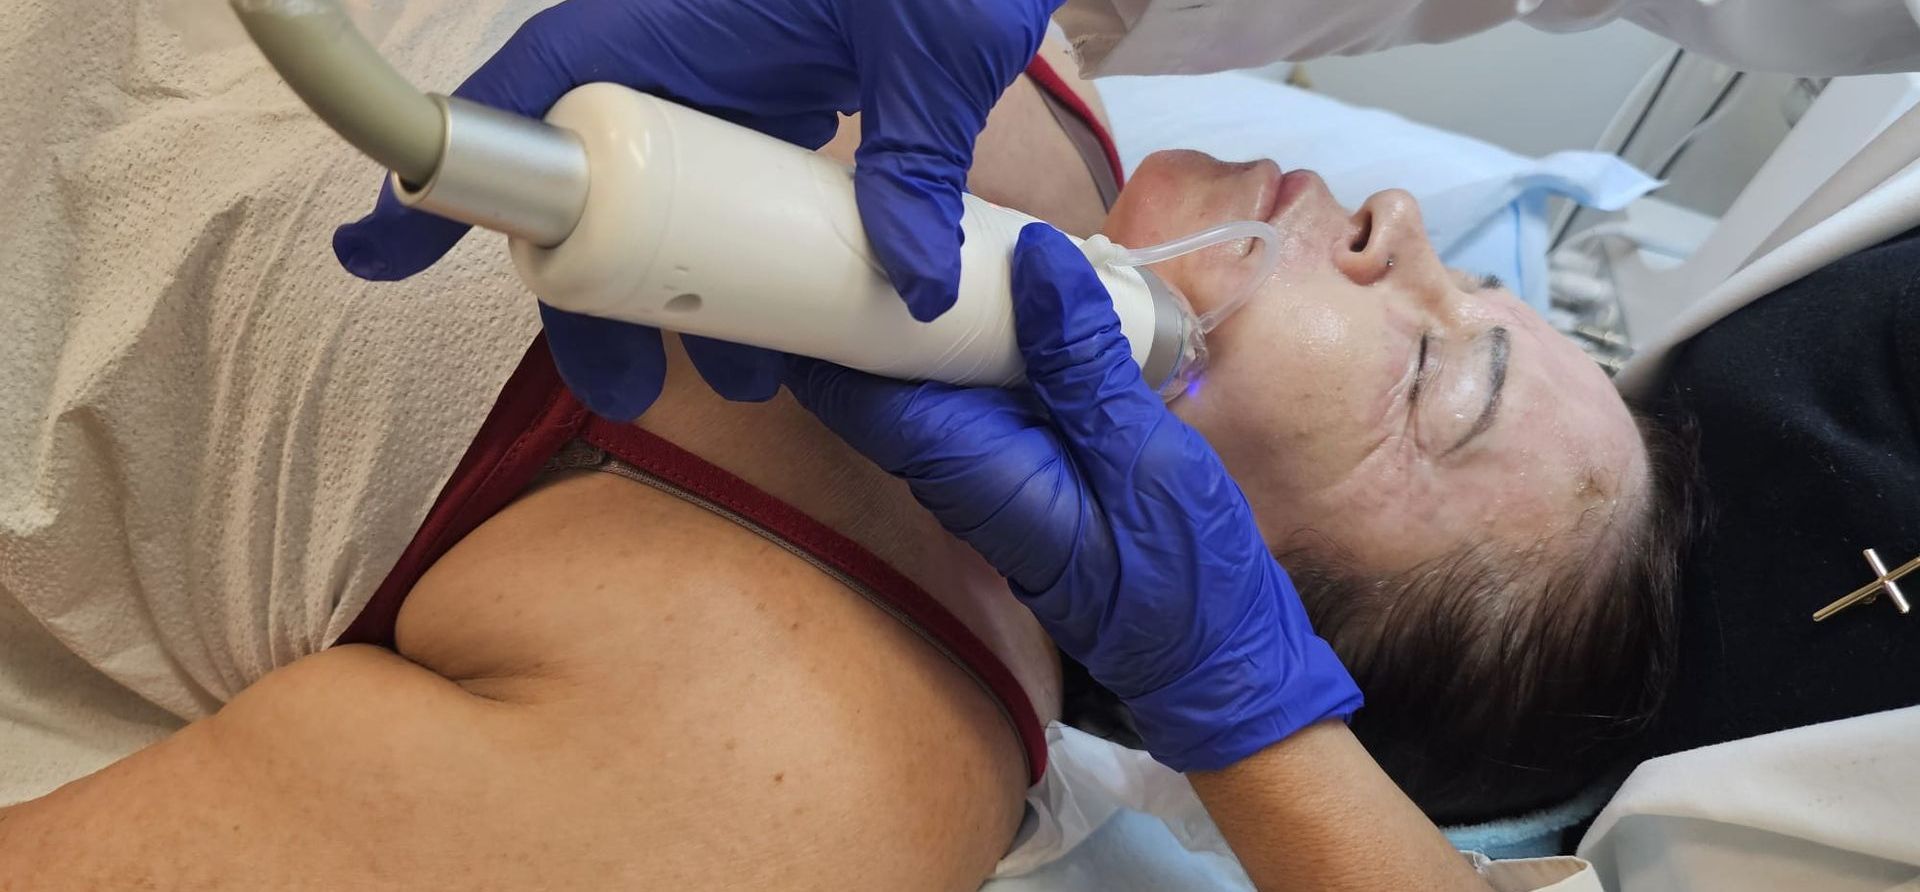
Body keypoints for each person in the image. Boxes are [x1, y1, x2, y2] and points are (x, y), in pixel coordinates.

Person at [322, 0, 1920, 889]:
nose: (1403, 217)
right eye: (1488, 285)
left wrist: (1249, 715)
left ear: (1222, 586)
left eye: (1445, 373)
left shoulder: (805, 762)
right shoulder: (1028, 68)